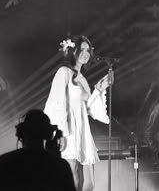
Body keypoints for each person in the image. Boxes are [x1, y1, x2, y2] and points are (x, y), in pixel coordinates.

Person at [44, 35, 110, 191]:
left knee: (88, 183)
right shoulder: (64, 72)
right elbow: (57, 103)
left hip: (81, 131)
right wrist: (60, 134)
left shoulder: (82, 79)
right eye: (81, 49)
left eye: (88, 50)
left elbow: (88, 109)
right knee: (72, 177)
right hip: (68, 132)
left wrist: (99, 90)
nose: (85, 53)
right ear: (72, 51)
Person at [0, 109, 76, 191]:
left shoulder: (4, 162)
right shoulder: (61, 165)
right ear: (48, 134)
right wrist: (56, 160)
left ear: (20, 134)